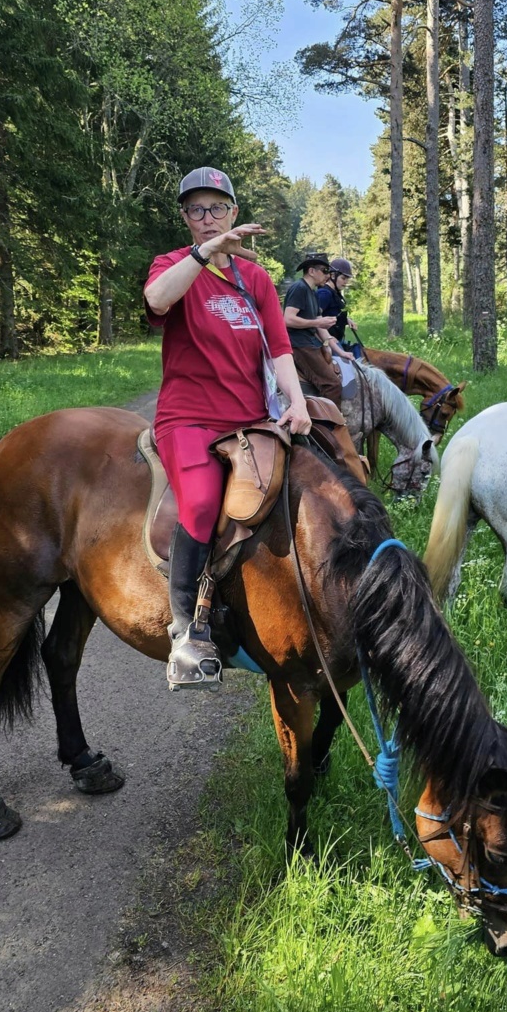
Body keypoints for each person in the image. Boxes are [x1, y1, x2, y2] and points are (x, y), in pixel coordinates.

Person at [144, 166, 312, 690]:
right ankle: (185, 631)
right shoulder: (172, 263)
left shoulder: (256, 278)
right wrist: (204, 253)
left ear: (234, 213)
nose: (208, 217)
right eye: (196, 210)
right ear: (185, 219)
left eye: (217, 208)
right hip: (189, 417)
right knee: (198, 504)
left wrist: (298, 402)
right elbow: (157, 300)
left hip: (249, 417)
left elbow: (280, 348)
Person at [283, 253, 343, 405]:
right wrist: (317, 323)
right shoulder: (299, 288)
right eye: (324, 271)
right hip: (299, 344)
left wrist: (341, 351)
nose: (328, 276)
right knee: (332, 385)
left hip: (309, 343)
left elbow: (318, 323)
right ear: (311, 271)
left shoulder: (313, 292)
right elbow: (288, 319)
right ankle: (329, 426)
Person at [317, 257, 362, 359]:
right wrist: (328, 339)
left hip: (338, 339)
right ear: (333, 275)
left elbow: (332, 313)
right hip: (327, 342)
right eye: (343, 278)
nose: (346, 282)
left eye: (347, 279)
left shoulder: (335, 293)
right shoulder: (324, 294)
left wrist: (346, 320)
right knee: (348, 368)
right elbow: (314, 318)